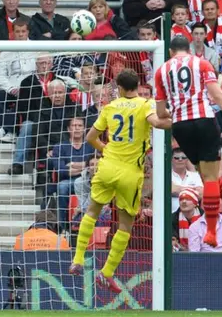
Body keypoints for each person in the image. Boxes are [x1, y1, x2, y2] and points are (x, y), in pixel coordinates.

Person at [69, 69, 172, 292]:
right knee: (125, 224)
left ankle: (77, 259)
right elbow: (158, 123)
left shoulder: (110, 107)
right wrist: (172, 120)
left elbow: (90, 138)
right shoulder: (145, 104)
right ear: (136, 86)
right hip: (129, 173)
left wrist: (105, 149)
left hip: (107, 167)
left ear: (120, 88)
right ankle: (107, 272)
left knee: (91, 212)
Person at [155, 36, 222, 247]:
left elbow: (161, 111)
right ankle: (210, 230)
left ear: (171, 52)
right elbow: (217, 95)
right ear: (188, 50)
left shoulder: (161, 71)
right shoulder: (201, 63)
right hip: (204, 121)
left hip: (180, 127)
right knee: (210, 177)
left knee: (203, 173)